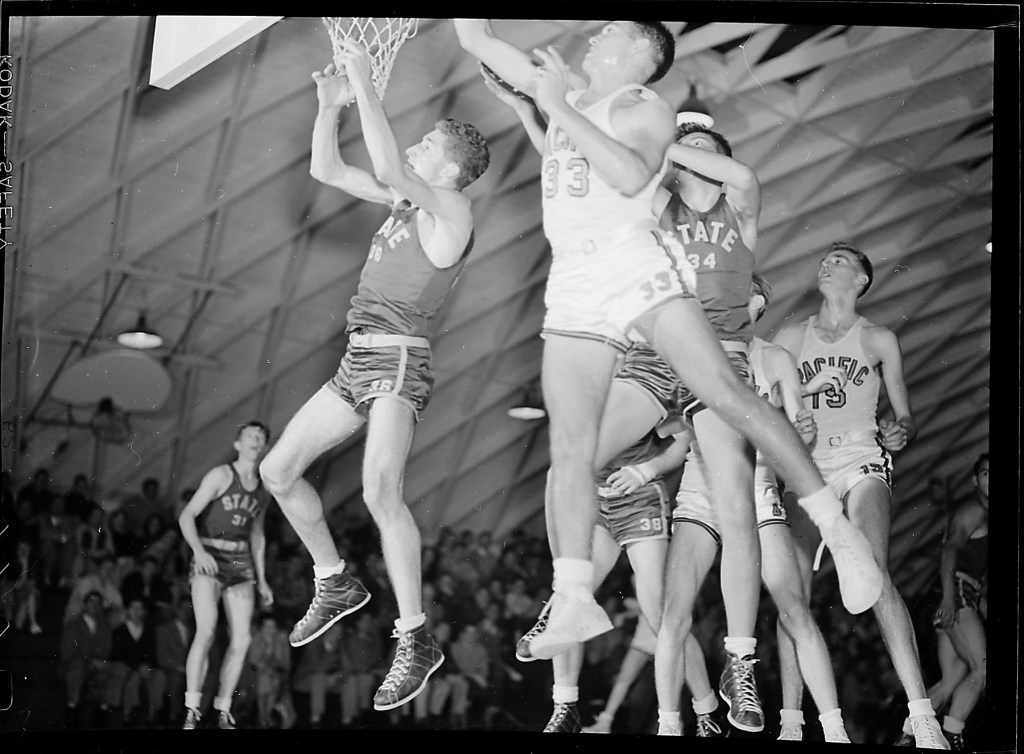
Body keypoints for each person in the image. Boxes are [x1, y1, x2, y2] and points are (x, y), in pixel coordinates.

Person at [455, 19, 882, 671]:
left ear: (639, 52)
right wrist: (534, 107)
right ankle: (572, 594)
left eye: (609, 32)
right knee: (572, 452)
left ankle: (832, 530)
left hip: (681, 311)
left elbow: (644, 172)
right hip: (603, 303)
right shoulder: (622, 155)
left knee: (732, 450)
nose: (594, 35)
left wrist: (571, 110)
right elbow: (500, 69)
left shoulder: (678, 142)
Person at [256, 38, 490, 714]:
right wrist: (330, 105)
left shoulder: (452, 213)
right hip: (357, 359)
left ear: (448, 168)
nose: (414, 148)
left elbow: (388, 161)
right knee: (277, 472)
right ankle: (334, 580)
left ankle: (414, 638)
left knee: (380, 490)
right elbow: (327, 169)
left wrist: (363, 78)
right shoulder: (404, 206)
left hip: (399, 358)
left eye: (426, 144)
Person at [651, 277, 851, 740]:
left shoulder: (775, 358)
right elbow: (662, 428)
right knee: (673, 615)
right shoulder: (695, 353)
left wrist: (801, 428)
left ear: (757, 303)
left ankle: (834, 730)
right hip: (702, 489)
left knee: (794, 609)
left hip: (758, 487)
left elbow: (800, 434)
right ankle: (668, 726)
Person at [773, 242, 948, 749]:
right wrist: (794, 416)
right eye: (824, 259)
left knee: (874, 573)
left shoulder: (877, 338)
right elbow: (767, 398)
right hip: (806, 464)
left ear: (862, 280)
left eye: (840, 260)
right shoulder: (791, 337)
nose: (827, 264)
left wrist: (900, 432)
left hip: (859, 455)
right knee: (792, 593)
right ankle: (792, 722)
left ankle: (923, 717)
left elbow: (906, 416)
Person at [177, 421, 275, 730]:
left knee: (243, 639)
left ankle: (223, 709)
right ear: (238, 444)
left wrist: (262, 578)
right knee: (206, 630)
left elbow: (257, 534)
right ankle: (192, 708)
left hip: (240, 561)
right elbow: (187, 515)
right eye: (250, 435)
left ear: (265, 446)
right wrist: (198, 551)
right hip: (209, 555)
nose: (255, 440)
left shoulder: (264, 488)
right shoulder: (221, 475)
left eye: (260, 437)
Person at [896, 452, 989, 750]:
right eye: (986, 473)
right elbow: (949, 551)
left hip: (956, 594)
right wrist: (950, 599)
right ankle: (951, 734)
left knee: (950, 680)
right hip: (956, 593)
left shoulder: (982, 513)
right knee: (982, 668)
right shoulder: (974, 510)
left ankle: (908, 735)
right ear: (975, 479)